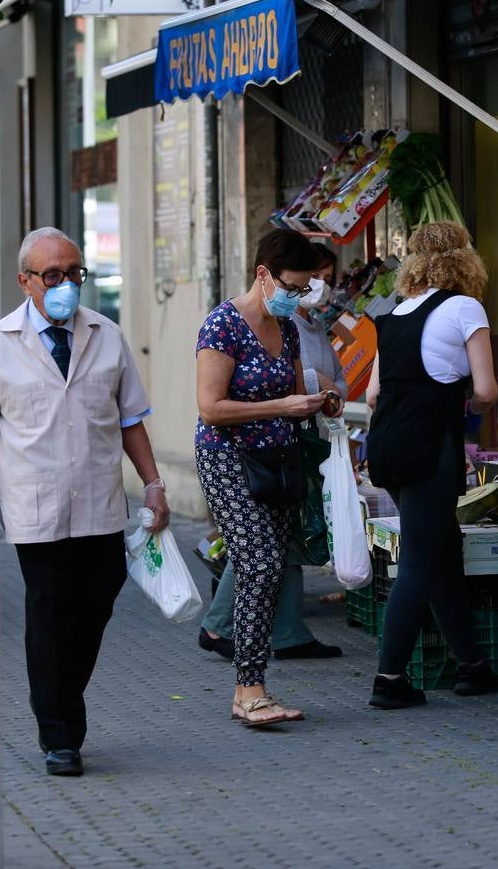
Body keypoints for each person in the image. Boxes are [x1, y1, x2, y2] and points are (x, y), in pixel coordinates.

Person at [0, 227, 169, 776]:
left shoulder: (107, 335)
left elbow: (131, 421)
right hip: (34, 505)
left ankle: (60, 696)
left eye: (75, 272)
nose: (67, 283)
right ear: (25, 281)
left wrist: (155, 484)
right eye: (53, 275)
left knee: (96, 602)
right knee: (48, 613)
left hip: (100, 500)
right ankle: (59, 733)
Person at [195, 229, 329, 727]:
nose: (297, 297)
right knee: (261, 563)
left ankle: (248, 690)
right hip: (229, 460)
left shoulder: (287, 327)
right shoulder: (223, 325)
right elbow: (210, 408)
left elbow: (296, 390)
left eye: (304, 289)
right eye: (292, 287)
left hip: (278, 462)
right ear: (264, 275)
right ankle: (250, 689)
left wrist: (318, 401)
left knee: (268, 569)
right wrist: (281, 406)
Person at [365, 221, 498, 710]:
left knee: (441, 551)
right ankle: (389, 679)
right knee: (420, 561)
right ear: (464, 260)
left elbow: (373, 393)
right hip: (430, 446)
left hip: (388, 445)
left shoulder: (394, 313)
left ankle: (472, 666)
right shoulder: (466, 308)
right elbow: (485, 391)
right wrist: (468, 405)